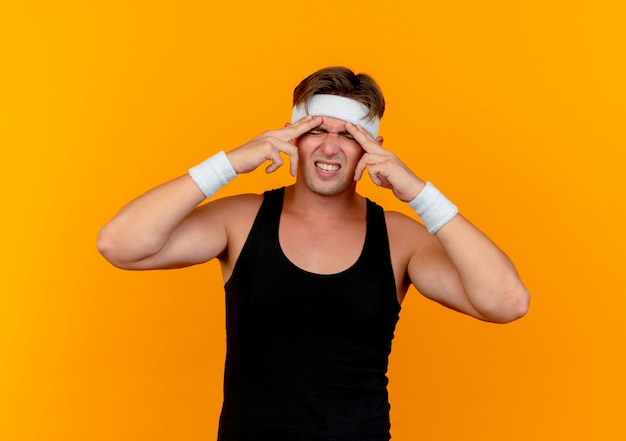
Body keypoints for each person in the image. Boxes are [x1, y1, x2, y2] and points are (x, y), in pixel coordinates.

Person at [97, 66, 529, 440]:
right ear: (291, 137)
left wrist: (418, 192)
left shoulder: (400, 239)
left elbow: (506, 303)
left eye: (348, 135)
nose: (329, 147)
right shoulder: (242, 220)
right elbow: (119, 244)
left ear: (372, 145)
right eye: (316, 130)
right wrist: (230, 163)